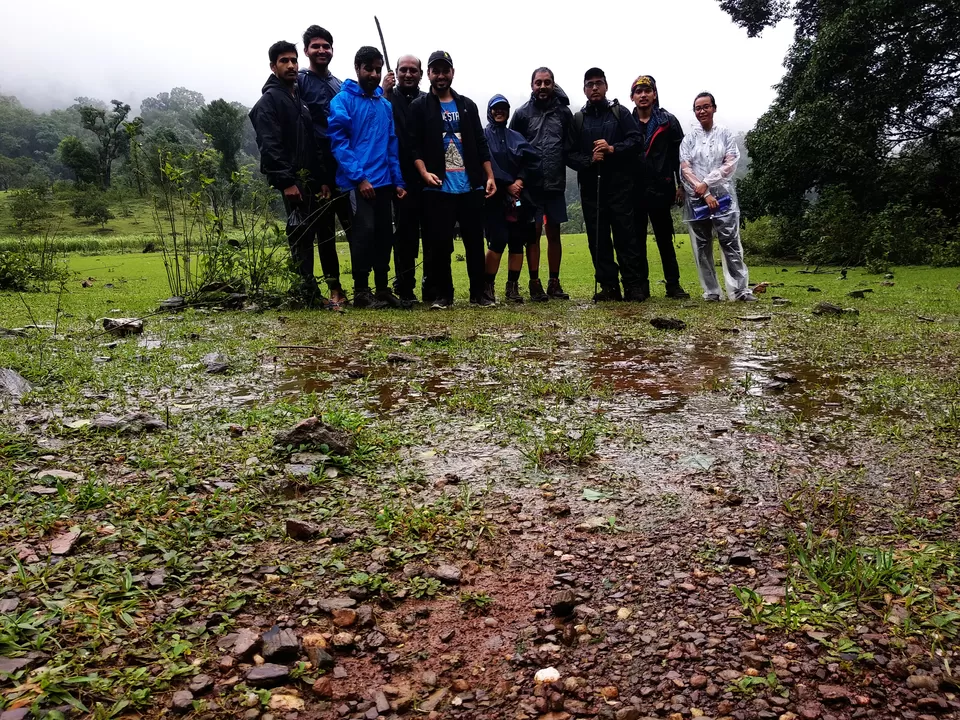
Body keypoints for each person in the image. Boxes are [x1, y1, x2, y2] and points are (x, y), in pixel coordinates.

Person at [409, 50, 496, 309]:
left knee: (473, 243)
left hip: (470, 186)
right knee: (440, 245)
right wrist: (424, 173)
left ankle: (478, 294)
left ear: (452, 73)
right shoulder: (419, 107)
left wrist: (489, 176)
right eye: (435, 71)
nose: (441, 75)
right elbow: (413, 146)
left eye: (445, 70)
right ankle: (443, 295)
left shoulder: (467, 105)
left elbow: (481, 144)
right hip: (438, 188)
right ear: (428, 75)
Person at [248, 40, 329, 307]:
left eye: (294, 60)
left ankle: (310, 292)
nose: (292, 66)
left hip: (310, 182)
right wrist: (286, 182)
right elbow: (269, 145)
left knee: (313, 233)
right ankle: (307, 294)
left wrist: (321, 180)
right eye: (284, 61)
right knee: (300, 234)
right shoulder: (269, 102)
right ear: (273, 66)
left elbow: (312, 144)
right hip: (292, 182)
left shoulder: (300, 102)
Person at [327, 47, 407, 309]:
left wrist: (398, 182)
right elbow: (339, 143)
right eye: (369, 69)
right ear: (357, 68)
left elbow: (391, 145)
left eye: (377, 69)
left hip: (384, 183)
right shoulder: (342, 101)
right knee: (363, 234)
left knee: (385, 235)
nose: (374, 74)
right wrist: (359, 179)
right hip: (357, 184)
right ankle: (361, 290)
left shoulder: (384, 105)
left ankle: (382, 288)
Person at [564, 68, 645, 301]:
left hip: (621, 187)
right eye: (590, 84)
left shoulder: (620, 113)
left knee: (625, 237)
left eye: (599, 83)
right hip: (591, 190)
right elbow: (568, 154)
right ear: (584, 90)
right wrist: (590, 159)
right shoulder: (578, 119)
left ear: (606, 86)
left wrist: (612, 149)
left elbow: (636, 141)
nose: (595, 88)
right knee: (598, 239)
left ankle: (633, 285)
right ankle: (609, 286)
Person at [679, 92, 757, 302]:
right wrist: (704, 192)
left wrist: (708, 183)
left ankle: (740, 290)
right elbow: (685, 169)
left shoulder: (725, 134)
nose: (702, 111)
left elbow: (730, 164)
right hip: (697, 199)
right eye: (698, 108)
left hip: (723, 198)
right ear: (694, 111)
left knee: (730, 242)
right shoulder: (689, 139)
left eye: (706, 106)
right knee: (702, 247)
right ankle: (711, 291)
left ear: (714, 108)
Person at [509, 67, 573, 301]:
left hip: (555, 182)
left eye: (547, 82)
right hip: (530, 185)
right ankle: (534, 282)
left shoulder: (564, 113)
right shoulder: (522, 114)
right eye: (539, 83)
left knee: (554, 232)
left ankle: (554, 282)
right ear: (532, 85)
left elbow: (569, 146)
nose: (543, 87)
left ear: (553, 84)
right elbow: (512, 148)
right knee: (533, 233)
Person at [297, 25, 350, 308]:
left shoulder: (339, 85)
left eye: (326, 46)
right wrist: (316, 177)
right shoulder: (300, 82)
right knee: (325, 233)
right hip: (317, 171)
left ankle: (363, 287)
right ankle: (334, 288)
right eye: (315, 46)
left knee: (355, 228)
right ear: (306, 50)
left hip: (345, 169)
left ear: (332, 50)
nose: (321, 50)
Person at [630, 75, 690, 300]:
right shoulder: (627, 120)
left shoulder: (668, 121)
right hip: (634, 190)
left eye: (647, 90)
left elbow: (680, 156)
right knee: (636, 240)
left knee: (665, 238)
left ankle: (673, 285)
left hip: (661, 188)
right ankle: (641, 287)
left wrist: (681, 184)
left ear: (655, 94)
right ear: (633, 96)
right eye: (638, 91)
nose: (643, 95)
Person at [481, 95, 541, 304]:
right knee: (497, 241)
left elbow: (532, 161)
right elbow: (484, 162)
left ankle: (512, 287)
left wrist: (520, 181)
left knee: (517, 242)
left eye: (503, 108)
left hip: (518, 198)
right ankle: (487, 286)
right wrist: (506, 183)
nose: (499, 112)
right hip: (494, 197)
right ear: (489, 111)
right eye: (495, 108)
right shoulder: (483, 136)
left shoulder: (516, 136)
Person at [380, 55, 427, 305]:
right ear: (396, 72)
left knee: (431, 235)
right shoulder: (387, 97)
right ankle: (404, 287)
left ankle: (431, 285)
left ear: (421, 74)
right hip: (397, 178)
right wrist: (385, 91)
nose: (408, 74)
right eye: (403, 70)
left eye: (413, 70)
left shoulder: (427, 100)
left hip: (427, 177)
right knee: (405, 235)